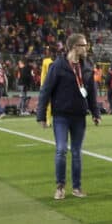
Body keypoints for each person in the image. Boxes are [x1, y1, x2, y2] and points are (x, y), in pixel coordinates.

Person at [36, 33, 101, 200]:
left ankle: (77, 187)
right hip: (61, 116)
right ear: (74, 47)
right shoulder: (58, 66)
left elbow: (92, 92)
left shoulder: (87, 66)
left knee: (77, 152)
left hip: (79, 116)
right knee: (61, 150)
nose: (86, 48)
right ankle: (60, 187)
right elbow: (45, 91)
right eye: (83, 45)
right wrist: (41, 115)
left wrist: (95, 113)